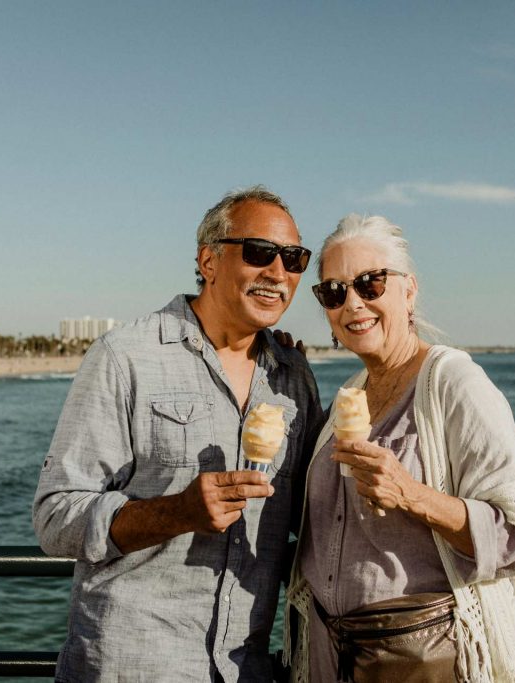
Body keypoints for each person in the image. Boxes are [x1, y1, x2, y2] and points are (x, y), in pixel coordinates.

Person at [33, 186, 323, 682]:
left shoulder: (292, 376)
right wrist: (176, 512)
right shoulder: (124, 357)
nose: (278, 273)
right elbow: (55, 517)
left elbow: (312, 513)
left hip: (245, 668)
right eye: (259, 252)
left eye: (294, 259)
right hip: (132, 664)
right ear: (208, 261)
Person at [284, 214, 515, 682]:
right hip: (330, 650)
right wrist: (279, 368)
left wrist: (410, 494)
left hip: (419, 656)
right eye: (334, 292)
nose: (353, 304)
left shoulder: (453, 383)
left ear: (409, 290)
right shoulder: (351, 392)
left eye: (370, 284)